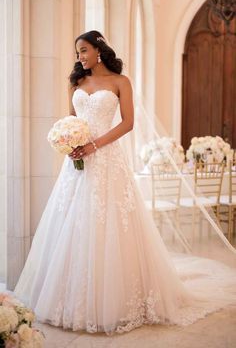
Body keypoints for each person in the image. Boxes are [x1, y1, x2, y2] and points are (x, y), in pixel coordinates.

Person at [14, 30, 236, 335]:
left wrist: (94, 145)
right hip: (77, 165)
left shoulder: (121, 82)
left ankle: (114, 303)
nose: (79, 56)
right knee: (72, 223)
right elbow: (71, 120)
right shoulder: (77, 83)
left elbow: (128, 123)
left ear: (98, 50)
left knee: (110, 226)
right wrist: (69, 141)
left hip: (107, 161)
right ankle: (66, 300)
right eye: (77, 52)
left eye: (83, 50)